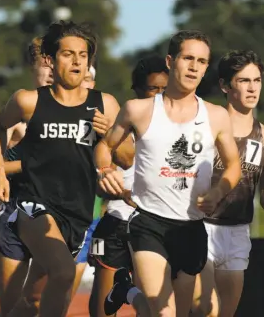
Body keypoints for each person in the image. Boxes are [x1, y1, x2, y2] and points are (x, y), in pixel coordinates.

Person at [0, 20, 134, 317]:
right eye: (68, 54)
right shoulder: (28, 101)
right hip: (32, 206)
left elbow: (128, 158)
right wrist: (2, 174)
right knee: (65, 274)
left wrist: (110, 135)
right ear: (52, 60)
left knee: (32, 302)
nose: (77, 60)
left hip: (77, 213)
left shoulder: (105, 104)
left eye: (83, 55)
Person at [94, 30, 241, 317]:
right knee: (164, 313)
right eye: (188, 58)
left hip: (191, 228)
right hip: (148, 223)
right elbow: (105, 145)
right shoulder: (138, 109)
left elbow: (233, 165)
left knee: (171, 312)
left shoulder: (216, 116)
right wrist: (104, 169)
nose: (194, 66)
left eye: (201, 61)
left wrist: (218, 191)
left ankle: (127, 291)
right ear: (171, 61)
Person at [89, 55, 169, 317]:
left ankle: (128, 292)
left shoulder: (179, 128)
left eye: (164, 90)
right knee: (101, 310)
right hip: (115, 223)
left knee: (154, 306)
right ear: (137, 90)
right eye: (152, 88)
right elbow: (113, 172)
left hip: (154, 225)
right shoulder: (119, 123)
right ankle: (123, 291)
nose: (158, 96)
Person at [191, 50, 264, 317]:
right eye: (244, 80)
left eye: (257, 80)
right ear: (224, 85)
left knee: (226, 313)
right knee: (205, 309)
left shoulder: (263, 135)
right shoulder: (206, 125)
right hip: (200, 227)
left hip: (237, 232)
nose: (252, 87)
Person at [0, 36, 53, 317]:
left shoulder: (80, 115)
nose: (52, 71)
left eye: (56, 63)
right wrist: (19, 169)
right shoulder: (18, 116)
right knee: (12, 310)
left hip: (61, 222)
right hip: (17, 220)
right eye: (44, 64)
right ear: (32, 66)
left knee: (46, 308)